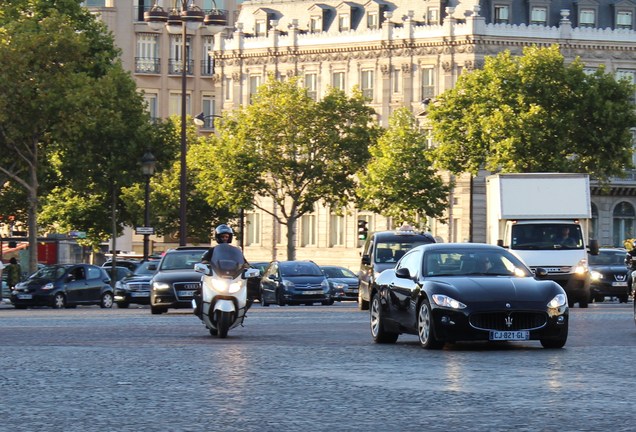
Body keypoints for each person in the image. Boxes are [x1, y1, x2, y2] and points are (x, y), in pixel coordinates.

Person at [194, 224, 254, 317]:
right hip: (216, 276)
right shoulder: (212, 250)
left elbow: (244, 263)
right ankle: (200, 309)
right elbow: (205, 260)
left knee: (250, 292)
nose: (225, 238)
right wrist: (204, 265)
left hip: (233, 277)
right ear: (218, 237)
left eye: (227, 236)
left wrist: (250, 269)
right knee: (199, 290)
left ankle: (243, 310)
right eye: (222, 236)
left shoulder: (235, 251)